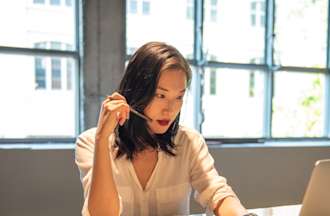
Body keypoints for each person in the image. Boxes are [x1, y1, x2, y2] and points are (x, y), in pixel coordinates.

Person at [75, 42, 250, 216]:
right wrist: (101, 139)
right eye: (161, 95)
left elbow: (216, 192)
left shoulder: (189, 141)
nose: (170, 109)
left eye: (179, 97)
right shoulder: (90, 142)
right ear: (136, 91)